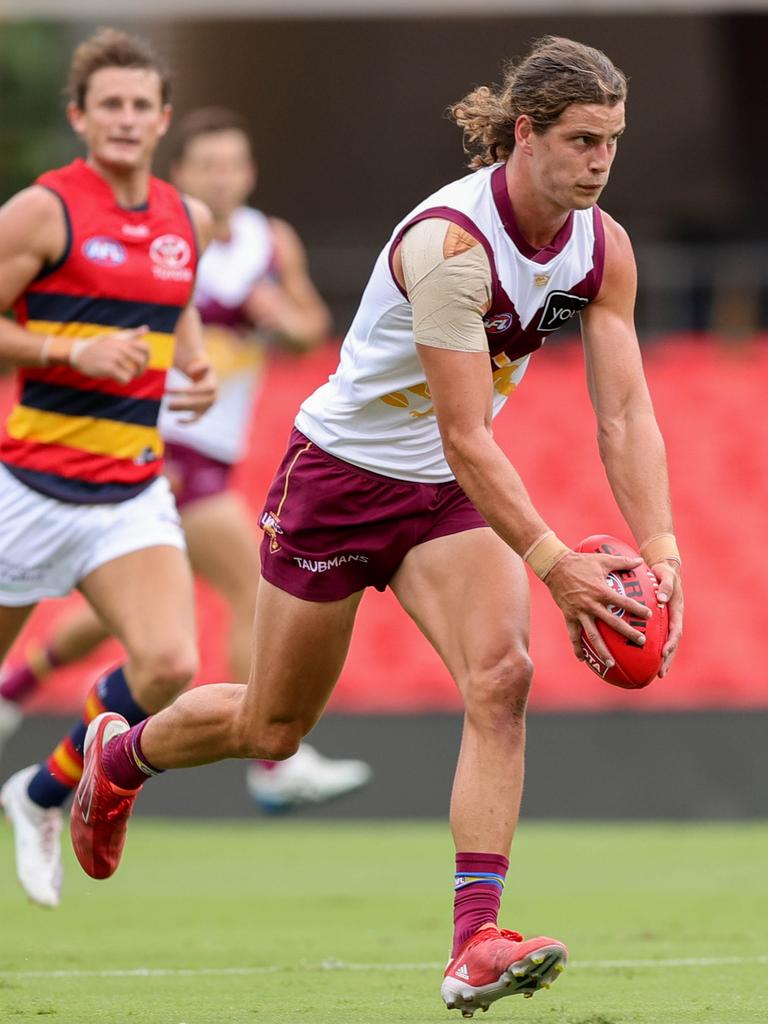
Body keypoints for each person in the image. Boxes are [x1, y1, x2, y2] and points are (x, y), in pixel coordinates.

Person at [70, 36, 684, 1018]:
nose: (600, 162)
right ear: (524, 134)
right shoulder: (450, 246)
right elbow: (467, 431)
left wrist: (661, 546)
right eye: (579, 140)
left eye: (612, 140)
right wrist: (555, 562)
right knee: (271, 723)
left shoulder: (600, 245)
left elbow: (623, 413)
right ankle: (118, 757)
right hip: (343, 484)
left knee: (504, 676)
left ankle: (474, 940)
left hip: (444, 496)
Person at [0, 107, 371, 813]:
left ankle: (17, 691)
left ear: (251, 172)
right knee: (242, 586)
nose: (223, 178)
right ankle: (268, 764)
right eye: (208, 166)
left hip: (216, 451)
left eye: (234, 164)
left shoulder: (270, 240)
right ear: (183, 174)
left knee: (132, 611)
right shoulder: (164, 236)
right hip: (156, 444)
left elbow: (313, 329)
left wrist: (278, 317)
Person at [0, 28, 219, 909]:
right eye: (110, 106)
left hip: (128, 493)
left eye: (141, 105)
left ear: (162, 118)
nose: (126, 120)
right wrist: (68, 350)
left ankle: (42, 791)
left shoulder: (185, 217)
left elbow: (178, 301)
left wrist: (192, 366)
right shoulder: (41, 211)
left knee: (168, 666)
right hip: (27, 488)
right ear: (80, 117)